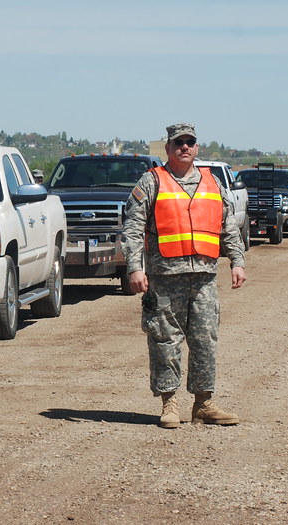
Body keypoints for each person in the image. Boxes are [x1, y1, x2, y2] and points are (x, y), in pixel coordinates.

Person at [122, 123, 247, 429]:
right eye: (178, 143)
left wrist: (237, 261)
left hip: (203, 278)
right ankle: (169, 403)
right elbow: (132, 228)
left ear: (197, 147)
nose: (185, 147)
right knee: (165, 340)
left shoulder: (212, 182)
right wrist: (135, 267)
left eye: (190, 142)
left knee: (205, 340)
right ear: (168, 148)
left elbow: (227, 225)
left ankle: (203, 404)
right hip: (164, 278)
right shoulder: (152, 181)